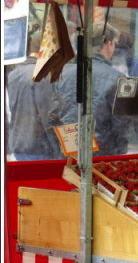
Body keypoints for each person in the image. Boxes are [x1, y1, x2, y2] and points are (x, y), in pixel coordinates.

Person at [51, 23, 129, 157]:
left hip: (69, 151)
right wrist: (121, 152)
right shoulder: (118, 78)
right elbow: (121, 124)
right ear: (108, 44)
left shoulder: (63, 74)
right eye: (115, 44)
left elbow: (53, 116)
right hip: (103, 153)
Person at [6, 30, 63, 160]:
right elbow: (48, 116)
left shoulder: (14, 73)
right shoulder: (42, 75)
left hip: (20, 143)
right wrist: (59, 148)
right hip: (41, 147)